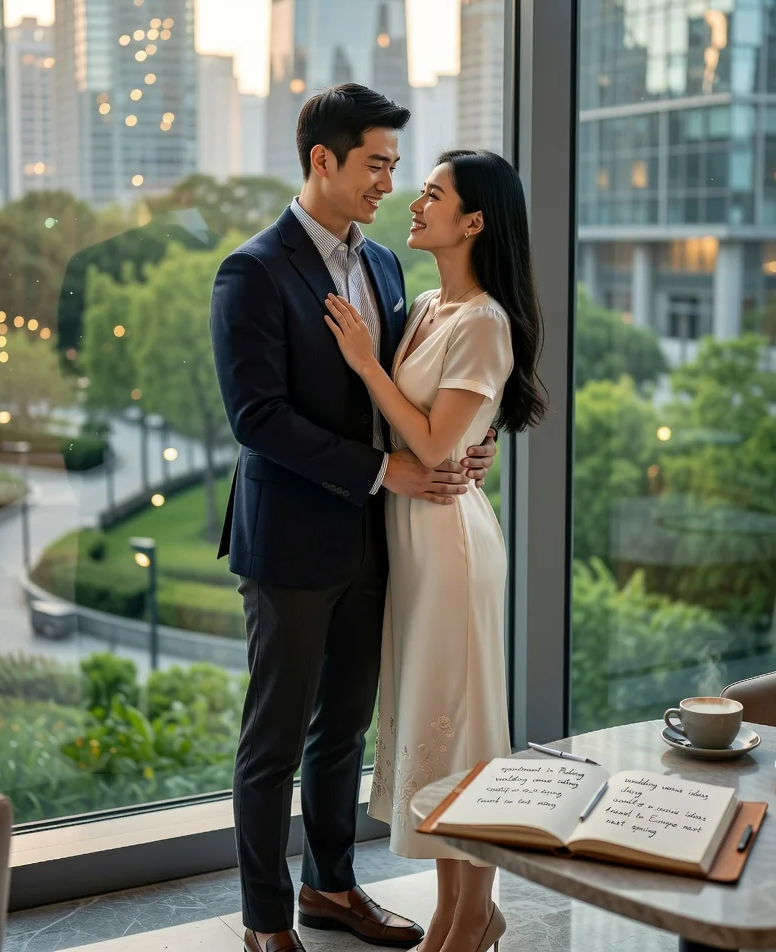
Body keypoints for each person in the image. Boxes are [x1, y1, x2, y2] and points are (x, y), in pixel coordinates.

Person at [210, 85, 498, 952]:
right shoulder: (251, 270)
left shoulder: (383, 267)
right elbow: (256, 419)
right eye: (375, 164)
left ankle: (331, 888)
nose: (389, 183)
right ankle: (266, 923)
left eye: (396, 168)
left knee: (342, 731)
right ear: (321, 161)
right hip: (292, 545)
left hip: (376, 542)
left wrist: (458, 449)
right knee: (274, 742)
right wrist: (388, 470)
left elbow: (412, 393)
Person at [325, 149, 545, 952]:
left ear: (474, 221)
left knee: (464, 736)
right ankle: (469, 916)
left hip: (451, 544)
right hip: (413, 541)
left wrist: (364, 364)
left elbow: (433, 438)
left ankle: (465, 923)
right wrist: (456, 439)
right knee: (441, 731)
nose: (414, 203)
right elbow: (438, 438)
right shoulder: (424, 305)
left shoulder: (486, 319)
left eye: (433, 195)